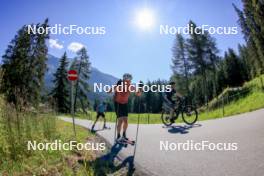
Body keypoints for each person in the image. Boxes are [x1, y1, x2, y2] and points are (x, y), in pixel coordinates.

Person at [109, 73, 142, 141]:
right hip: (118, 103)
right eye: (128, 79)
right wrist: (115, 87)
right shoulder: (120, 84)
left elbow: (138, 94)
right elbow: (109, 91)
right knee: (120, 120)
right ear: (124, 79)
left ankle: (123, 135)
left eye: (130, 80)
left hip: (125, 104)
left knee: (126, 121)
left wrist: (139, 90)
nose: (129, 81)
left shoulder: (130, 86)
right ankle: (118, 135)